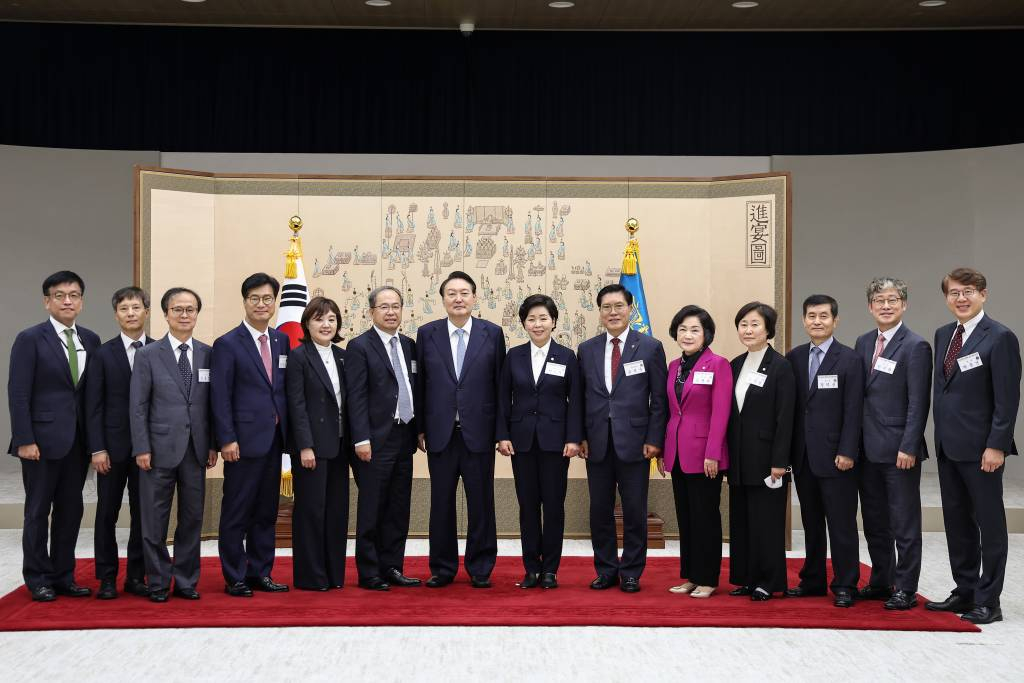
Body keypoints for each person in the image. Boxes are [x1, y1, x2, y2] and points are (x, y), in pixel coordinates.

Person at [925, 267, 1020, 625]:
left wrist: (996, 445)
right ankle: (964, 588)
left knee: (990, 524)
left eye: (968, 292)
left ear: (983, 294)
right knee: (957, 522)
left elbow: (1007, 399)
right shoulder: (944, 334)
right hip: (949, 447)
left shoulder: (1000, 337)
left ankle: (989, 600)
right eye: (953, 293)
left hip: (983, 451)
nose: (961, 299)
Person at [8, 271, 100, 601]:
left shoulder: (90, 339)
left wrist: (95, 443)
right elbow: (18, 393)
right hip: (41, 443)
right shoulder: (30, 338)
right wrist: (24, 439)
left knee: (70, 510)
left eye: (73, 295)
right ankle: (37, 578)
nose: (67, 301)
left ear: (82, 302)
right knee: (37, 511)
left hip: (77, 443)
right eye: (59, 295)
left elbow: (91, 395)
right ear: (47, 301)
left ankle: (63, 575)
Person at [415, 271, 506, 588]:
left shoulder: (492, 334)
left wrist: (500, 432)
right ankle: (442, 567)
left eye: (464, 293)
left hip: (479, 432)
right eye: (451, 293)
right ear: (442, 300)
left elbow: (499, 386)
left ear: (474, 297)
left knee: (481, 502)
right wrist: (421, 428)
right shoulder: (427, 334)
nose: (458, 298)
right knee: (440, 503)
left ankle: (481, 567)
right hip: (440, 433)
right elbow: (420, 384)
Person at [578, 284, 668, 593]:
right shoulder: (587, 349)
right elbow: (580, 398)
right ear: (600, 312)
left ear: (630, 309)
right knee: (599, 511)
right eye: (606, 307)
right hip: (597, 443)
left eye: (618, 306)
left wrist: (655, 440)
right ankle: (605, 570)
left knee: (634, 511)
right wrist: (580, 437)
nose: (613, 312)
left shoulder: (650, 347)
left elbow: (659, 399)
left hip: (636, 443)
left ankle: (631, 571)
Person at [130, 287, 217, 602]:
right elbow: (138, 406)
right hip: (156, 451)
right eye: (178, 309)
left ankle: (185, 580)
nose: (184, 315)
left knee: (192, 519)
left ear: (196, 314)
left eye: (190, 309)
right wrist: (141, 447)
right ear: (165, 314)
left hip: (196, 451)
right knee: (155, 521)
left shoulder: (209, 354)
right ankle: (157, 581)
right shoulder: (147, 355)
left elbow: (211, 407)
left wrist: (213, 445)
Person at [855, 278, 931, 611]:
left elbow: (918, 402)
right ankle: (881, 580)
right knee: (874, 521)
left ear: (904, 304)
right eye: (879, 300)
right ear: (870, 306)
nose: (886, 306)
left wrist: (909, 445)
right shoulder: (862, 342)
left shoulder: (916, 346)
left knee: (904, 522)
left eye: (893, 299)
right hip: (866, 449)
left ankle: (906, 587)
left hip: (899, 450)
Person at [212, 273, 290, 597]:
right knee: (237, 511)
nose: (262, 304)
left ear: (275, 302)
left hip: (274, 441)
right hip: (242, 444)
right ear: (245, 302)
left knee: (266, 512)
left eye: (267, 298)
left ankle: (261, 572)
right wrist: (226, 439)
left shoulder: (281, 340)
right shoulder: (227, 343)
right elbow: (220, 396)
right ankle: (235, 576)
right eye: (255, 299)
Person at [497, 294, 583, 589]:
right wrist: (503, 435)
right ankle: (531, 568)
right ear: (523, 323)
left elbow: (576, 402)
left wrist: (574, 438)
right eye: (531, 319)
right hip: (521, 442)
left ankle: (551, 570)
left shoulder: (567, 356)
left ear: (554, 322)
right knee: (528, 506)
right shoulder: (513, 356)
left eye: (543, 318)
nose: (537, 324)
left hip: (556, 443)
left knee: (554, 506)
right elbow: (502, 400)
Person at [785, 294, 863, 608]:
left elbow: (854, 409)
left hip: (837, 457)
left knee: (841, 523)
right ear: (804, 320)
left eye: (824, 316)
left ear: (835, 320)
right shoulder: (794, 356)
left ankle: (845, 583)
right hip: (804, 456)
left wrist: (848, 450)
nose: (817, 321)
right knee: (812, 522)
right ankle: (813, 580)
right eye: (811, 316)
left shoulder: (849, 359)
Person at [345, 286, 421, 591]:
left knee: (398, 506)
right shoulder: (359, 346)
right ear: (371, 312)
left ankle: (393, 566)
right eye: (384, 307)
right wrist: (361, 438)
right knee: (373, 507)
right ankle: (369, 571)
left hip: (404, 436)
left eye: (396, 306)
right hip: (374, 440)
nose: (391, 312)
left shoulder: (409, 345)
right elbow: (356, 397)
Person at [84, 286, 154, 600]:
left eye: (135, 308)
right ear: (116, 314)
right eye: (124, 308)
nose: (130, 313)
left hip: (147, 450)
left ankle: (137, 576)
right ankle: (107, 577)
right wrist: (96, 448)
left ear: (146, 312)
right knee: (106, 514)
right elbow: (92, 405)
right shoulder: (102, 353)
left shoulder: (158, 350)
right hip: (110, 450)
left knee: (143, 514)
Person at [726, 302, 795, 601]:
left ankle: (769, 580)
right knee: (742, 521)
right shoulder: (735, 364)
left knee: (766, 523)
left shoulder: (781, 366)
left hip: (768, 461)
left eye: (754, 324)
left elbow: (786, 417)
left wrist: (780, 461)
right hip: (739, 459)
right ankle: (746, 577)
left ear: (768, 329)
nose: (748, 329)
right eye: (743, 324)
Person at [662, 305, 732, 599]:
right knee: (686, 517)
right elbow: (671, 411)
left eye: (694, 330)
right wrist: (664, 452)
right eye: (682, 329)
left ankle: (708, 578)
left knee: (705, 517)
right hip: (677, 452)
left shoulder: (718, 364)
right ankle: (691, 575)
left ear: (706, 335)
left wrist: (713, 452)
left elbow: (721, 412)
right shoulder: (674, 367)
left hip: (705, 455)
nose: (687, 335)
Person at [285, 297, 350, 591]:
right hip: (312, 448)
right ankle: (311, 577)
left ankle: (334, 575)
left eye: (331, 319)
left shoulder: (343, 356)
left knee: (336, 512)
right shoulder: (299, 356)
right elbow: (296, 405)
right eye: (318, 319)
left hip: (340, 446)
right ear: (307, 324)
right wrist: (304, 446)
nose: (326, 324)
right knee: (311, 512)